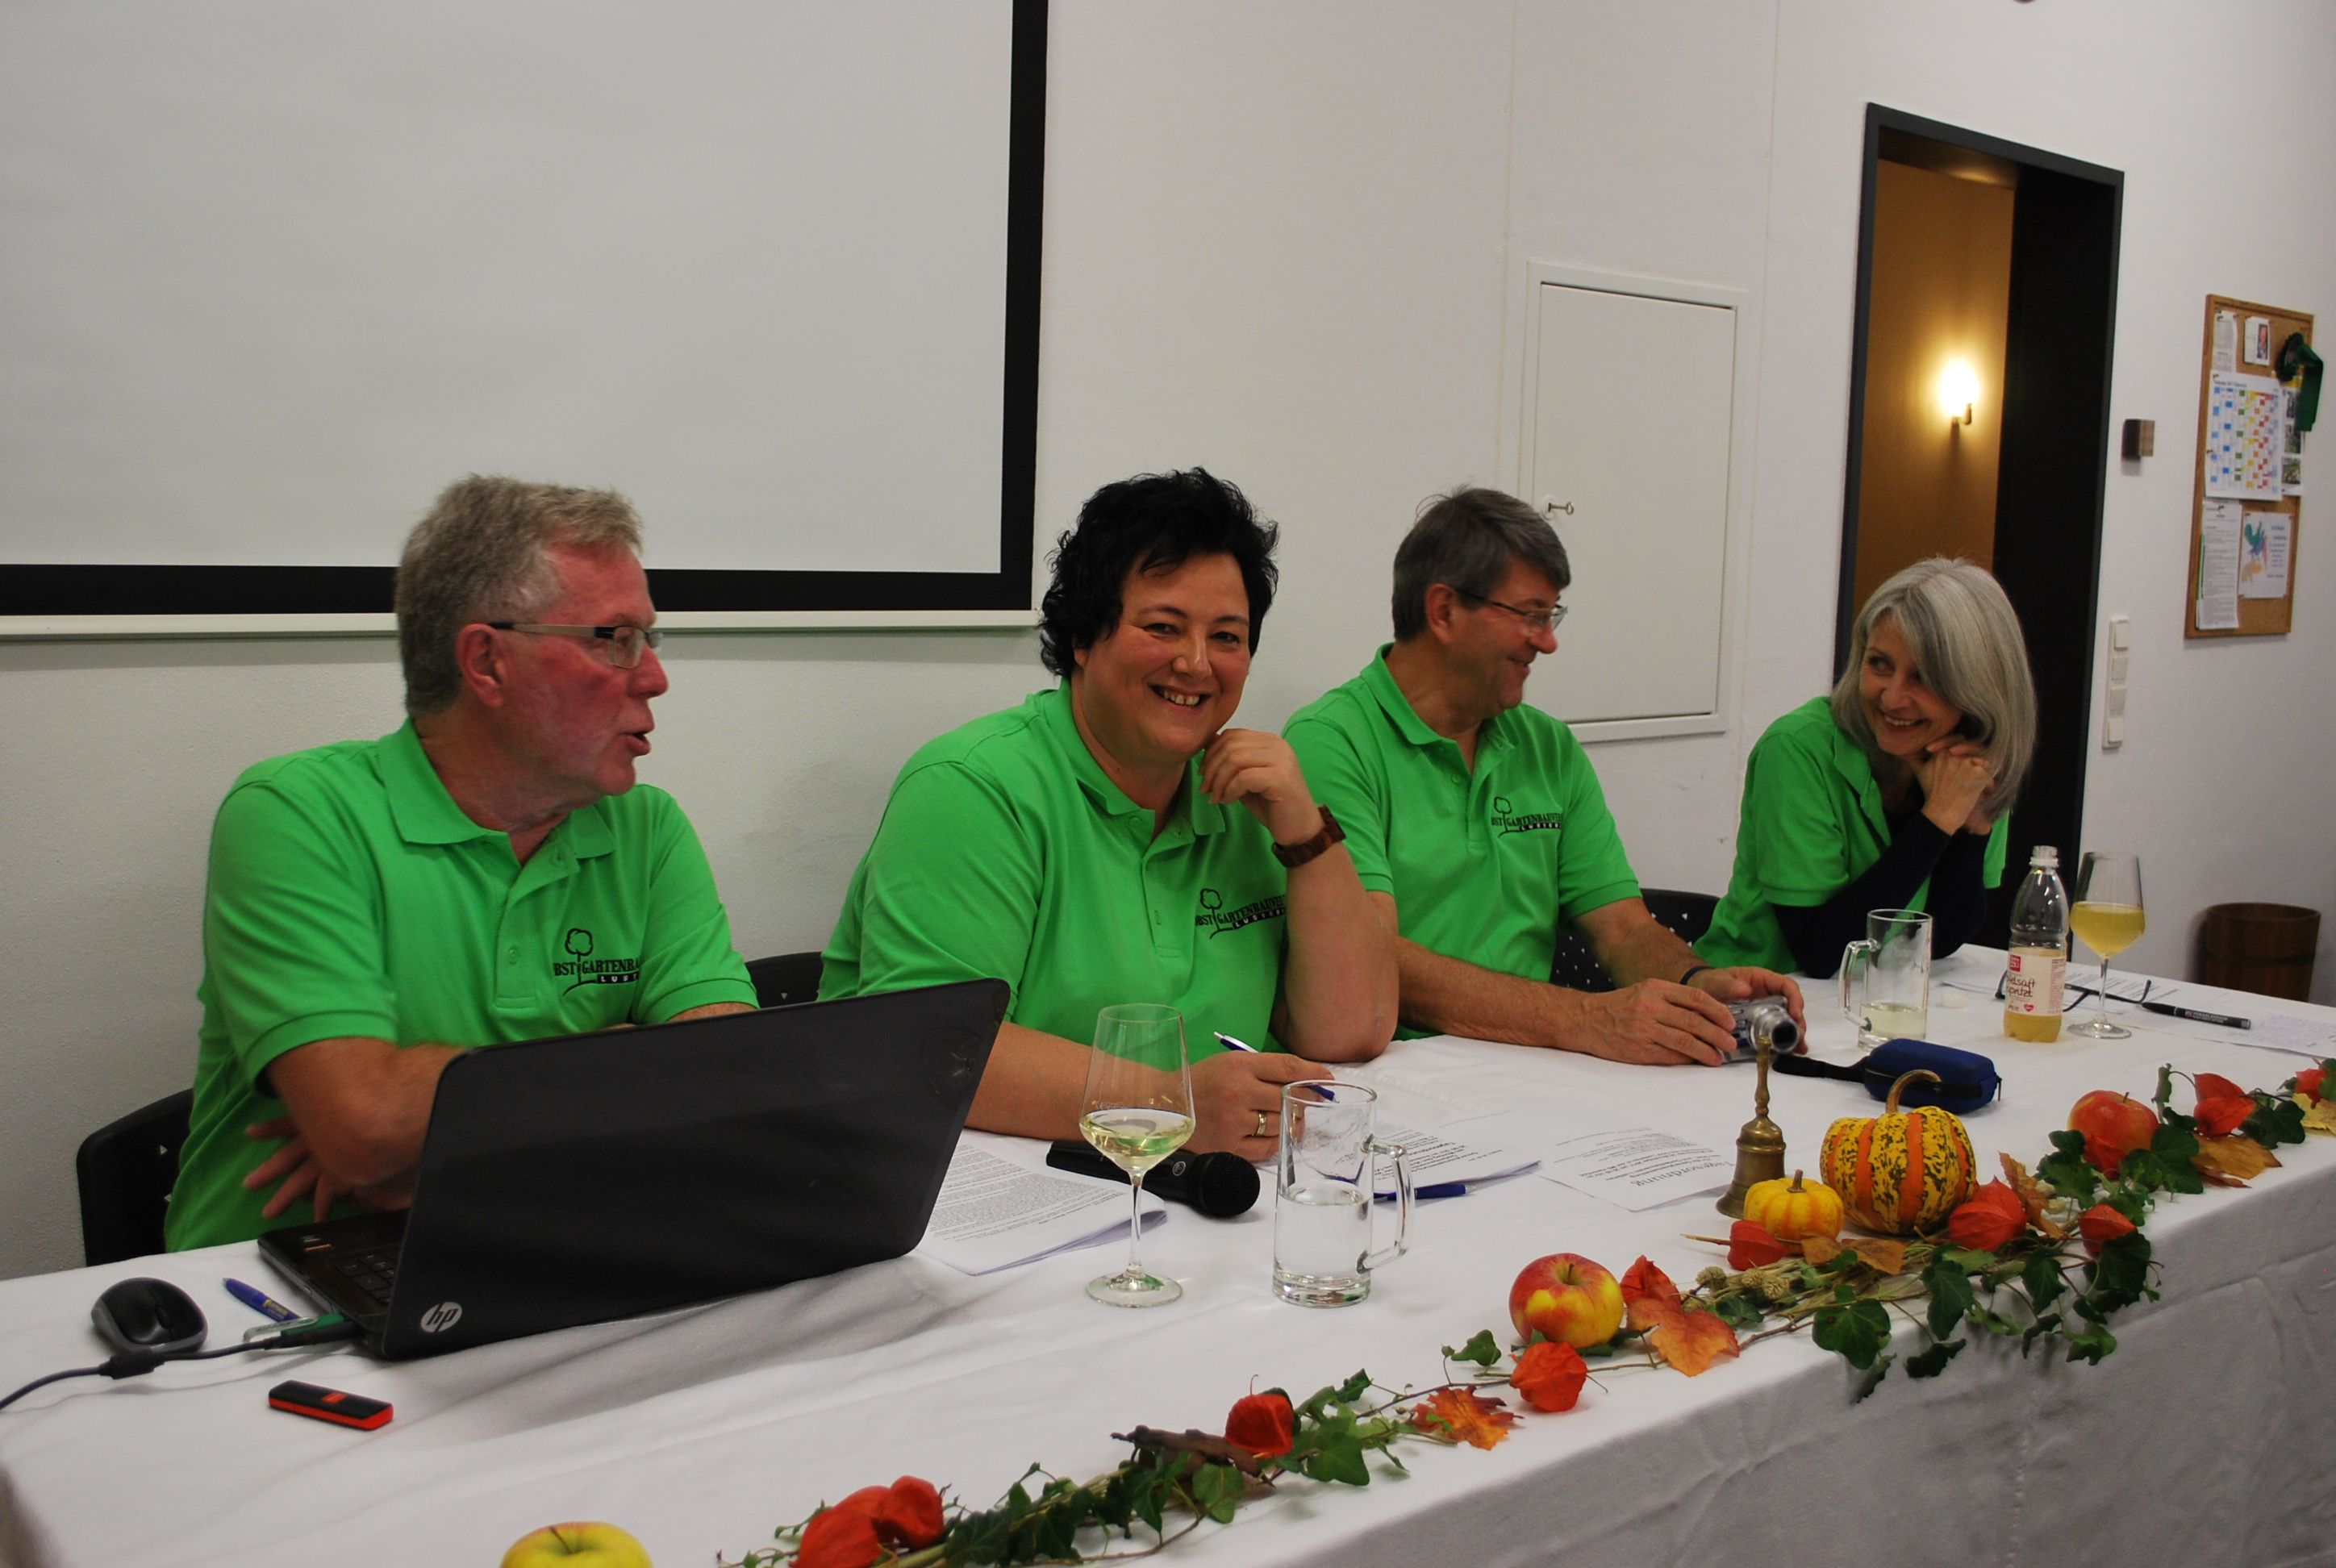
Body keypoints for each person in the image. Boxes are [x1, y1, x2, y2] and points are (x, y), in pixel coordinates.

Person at [166, 477, 759, 1249]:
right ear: (487, 662)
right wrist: (633, 1069)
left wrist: (442, 1141)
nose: (654, 676)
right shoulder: (298, 813)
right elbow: (367, 1131)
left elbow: (733, 1083)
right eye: (615, 639)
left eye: (650, 639)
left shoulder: (646, 827)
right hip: (286, 1281)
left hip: (545, 1239)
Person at [820, 469, 1395, 1155]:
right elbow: (936, 1048)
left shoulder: (1247, 797)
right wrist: (1171, 1107)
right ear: (1084, 638)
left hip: (1202, 1180)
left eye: (1227, 637)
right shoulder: (970, 787)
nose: (1197, 664)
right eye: (1163, 627)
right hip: (983, 1185)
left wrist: (1307, 835)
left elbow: (1350, 1032)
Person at [1284, 487, 1802, 1065]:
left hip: (1533, 1071)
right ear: (1444, 611)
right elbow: (1372, 956)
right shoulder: (1331, 743)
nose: (1548, 642)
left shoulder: (1547, 744)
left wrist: (1698, 983)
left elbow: (1623, 929)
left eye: (1551, 616)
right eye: (1530, 615)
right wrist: (1585, 1018)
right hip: (1394, 1075)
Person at [1700, 557, 2035, 978]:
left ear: (1977, 689)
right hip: (1759, 999)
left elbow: (1945, 936)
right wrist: (1939, 819)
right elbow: (1820, 952)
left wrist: (1973, 828)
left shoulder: (1970, 758)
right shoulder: (1796, 749)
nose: (1892, 698)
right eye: (1879, 664)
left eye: (1923, 677)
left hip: (1880, 995)